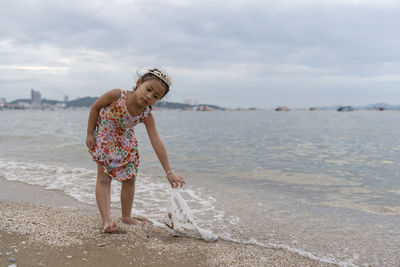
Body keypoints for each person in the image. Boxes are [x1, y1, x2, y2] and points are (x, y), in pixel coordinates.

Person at [86, 68, 185, 233]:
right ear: (139, 83)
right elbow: (95, 108)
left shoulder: (146, 115)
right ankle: (106, 221)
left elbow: (157, 143)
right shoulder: (117, 95)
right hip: (104, 139)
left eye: (155, 96)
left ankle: (126, 216)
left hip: (126, 143)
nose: (149, 96)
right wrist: (89, 133)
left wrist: (169, 172)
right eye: (148, 89)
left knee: (130, 179)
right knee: (104, 179)